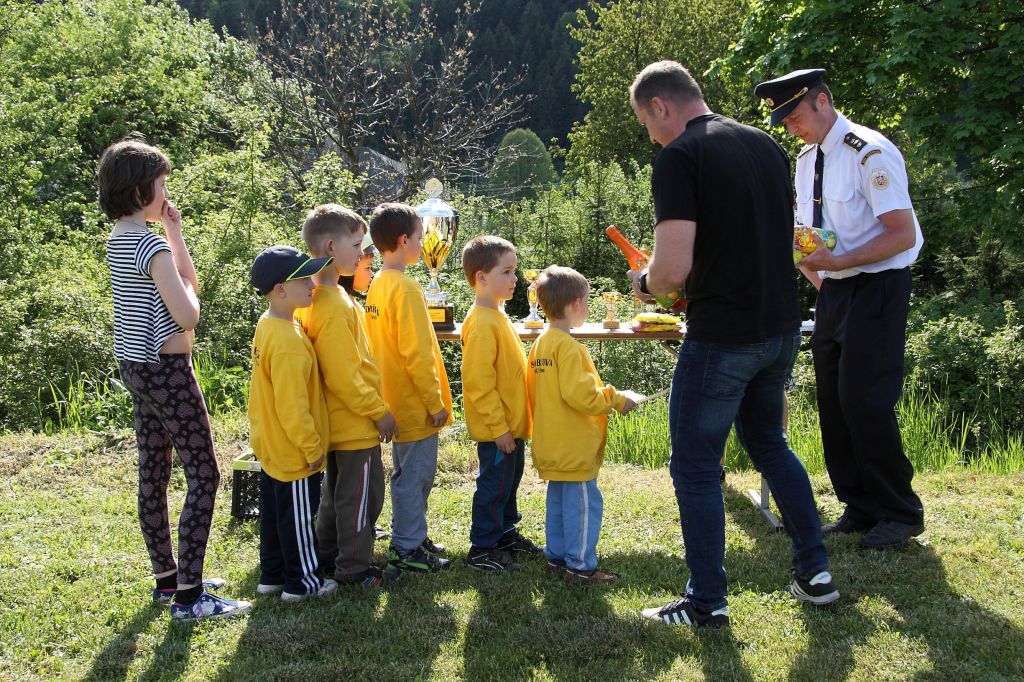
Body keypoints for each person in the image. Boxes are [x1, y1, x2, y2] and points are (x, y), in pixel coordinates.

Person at [626, 61, 838, 628]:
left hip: (723, 336)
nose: (651, 137)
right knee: (771, 444)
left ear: (660, 106)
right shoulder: (765, 144)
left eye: (646, 124)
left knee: (695, 467)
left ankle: (707, 602)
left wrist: (645, 282)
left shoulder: (679, 157)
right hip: (780, 327)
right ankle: (816, 573)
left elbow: (671, 272)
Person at [755, 68, 925, 549]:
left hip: (877, 286)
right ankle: (860, 505)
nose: (790, 126)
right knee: (832, 400)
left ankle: (900, 511)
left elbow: (902, 234)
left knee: (864, 400)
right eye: (784, 120)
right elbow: (809, 237)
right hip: (836, 289)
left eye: (794, 115)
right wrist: (822, 278)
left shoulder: (869, 152)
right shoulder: (807, 158)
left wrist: (838, 265)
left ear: (822, 101)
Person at [99, 135, 251, 622]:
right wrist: (171, 252)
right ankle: (190, 597)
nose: (167, 194)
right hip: (168, 371)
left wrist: (175, 234)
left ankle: (169, 580)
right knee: (204, 473)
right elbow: (188, 313)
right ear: (139, 189)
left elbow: (186, 286)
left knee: (154, 471)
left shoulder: (121, 238)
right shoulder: (149, 245)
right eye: (162, 184)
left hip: (137, 368)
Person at [296, 205, 397, 587]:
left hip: (336, 421)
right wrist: (378, 411)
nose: (362, 253)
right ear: (329, 247)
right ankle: (354, 568)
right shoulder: (333, 305)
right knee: (360, 499)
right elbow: (343, 375)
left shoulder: (318, 298)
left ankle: (326, 555)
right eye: (355, 245)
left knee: (336, 495)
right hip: (354, 424)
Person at [526, 266, 640, 584]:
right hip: (573, 447)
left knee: (559, 504)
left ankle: (556, 557)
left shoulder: (540, 344)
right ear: (576, 304)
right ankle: (580, 566)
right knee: (583, 507)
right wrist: (618, 399)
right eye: (587, 302)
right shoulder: (569, 347)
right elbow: (582, 396)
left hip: (551, 443)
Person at [365, 203, 453, 574]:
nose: (423, 243)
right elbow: (417, 354)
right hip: (414, 403)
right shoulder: (405, 288)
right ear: (403, 241)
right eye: (419, 237)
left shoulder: (378, 284)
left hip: (391, 397)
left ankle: (413, 533)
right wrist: (434, 402)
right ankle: (407, 547)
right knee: (415, 476)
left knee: (408, 473)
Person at [248, 245, 338, 602]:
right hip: (293, 449)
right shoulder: (286, 340)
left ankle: (272, 576)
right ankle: (303, 582)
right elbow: (292, 405)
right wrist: (312, 447)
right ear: (280, 289)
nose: (312, 285)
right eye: (303, 280)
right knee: (298, 517)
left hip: (272, 443)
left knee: (275, 514)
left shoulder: (270, 324)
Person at [460, 236, 542, 571]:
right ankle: (482, 547)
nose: (515, 278)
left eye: (514, 271)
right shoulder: (481, 323)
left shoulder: (497, 314)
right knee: (494, 487)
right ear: (481, 277)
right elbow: (479, 385)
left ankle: (505, 534)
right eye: (506, 272)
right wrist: (499, 429)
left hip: (511, 427)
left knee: (508, 484)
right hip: (499, 431)